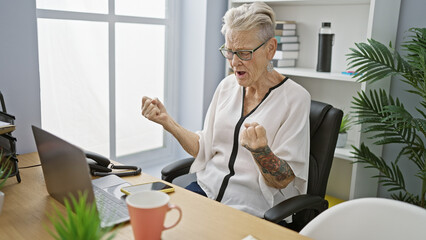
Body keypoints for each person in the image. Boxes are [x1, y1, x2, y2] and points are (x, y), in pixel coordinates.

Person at [141, 2, 310, 220]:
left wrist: (261, 151)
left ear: (270, 49)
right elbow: (203, 147)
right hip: (206, 190)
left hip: (251, 208)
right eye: (229, 52)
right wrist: (167, 122)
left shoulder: (295, 99)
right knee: (156, 222)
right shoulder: (227, 86)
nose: (234, 62)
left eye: (244, 53)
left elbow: (283, 180)